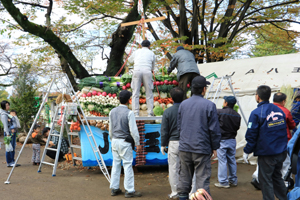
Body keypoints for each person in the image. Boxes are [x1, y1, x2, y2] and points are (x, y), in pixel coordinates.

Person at [177, 76, 221, 200]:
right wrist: (215, 146)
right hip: (202, 147)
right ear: (203, 89)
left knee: (184, 178)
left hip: (185, 147)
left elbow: (179, 126)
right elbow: (214, 129)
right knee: (202, 179)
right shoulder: (209, 105)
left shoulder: (183, 104)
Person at [243, 85, 288, 200]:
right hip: (281, 151)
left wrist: (247, 150)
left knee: (266, 180)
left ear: (257, 97)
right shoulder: (279, 110)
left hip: (267, 154)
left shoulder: (257, 113)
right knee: (277, 176)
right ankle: (284, 198)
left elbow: (251, 134)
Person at [251, 92, 296, 189]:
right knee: (285, 163)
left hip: (267, 142)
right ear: (284, 101)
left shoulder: (265, 110)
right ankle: (283, 183)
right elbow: (292, 125)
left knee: (264, 162)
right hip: (283, 142)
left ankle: (257, 178)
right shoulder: (285, 111)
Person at [109, 90, 142, 198]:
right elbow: (133, 130)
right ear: (129, 100)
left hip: (114, 140)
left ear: (118, 99)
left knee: (116, 164)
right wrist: (137, 143)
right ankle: (129, 190)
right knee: (127, 165)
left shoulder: (112, 112)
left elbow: (110, 129)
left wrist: (111, 139)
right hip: (125, 142)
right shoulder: (129, 113)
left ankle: (114, 188)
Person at [161, 87, 184, 199]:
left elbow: (164, 130)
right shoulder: (187, 110)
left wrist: (163, 144)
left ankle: (175, 191)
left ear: (171, 98)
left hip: (173, 143)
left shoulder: (168, 111)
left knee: (173, 168)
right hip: (187, 142)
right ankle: (188, 191)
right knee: (187, 167)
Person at [214, 96, 241, 188]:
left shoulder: (219, 112)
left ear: (226, 103)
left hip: (222, 140)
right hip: (232, 140)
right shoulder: (237, 115)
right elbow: (237, 127)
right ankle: (233, 180)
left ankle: (223, 182)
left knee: (222, 161)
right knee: (232, 160)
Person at [128, 40, 156, 117]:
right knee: (149, 93)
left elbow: (129, 61)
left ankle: (135, 113)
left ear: (141, 45)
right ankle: (150, 113)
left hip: (137, 71)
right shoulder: (152, 53)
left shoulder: (137, 51)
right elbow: (152, 67)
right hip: (147, 71)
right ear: (149, 46)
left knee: (135, 92)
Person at [0, 100, 20, 167]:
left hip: (12, 132)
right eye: (7, 105)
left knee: (13, 147)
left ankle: (12, 161)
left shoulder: (8, 113)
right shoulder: (3, 115)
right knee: (9, 148)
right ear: (3, 106)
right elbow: (5, 125)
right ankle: (9, 162)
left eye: (8, 105)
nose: (8, 106)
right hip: (8, 133)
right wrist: (8, 133)